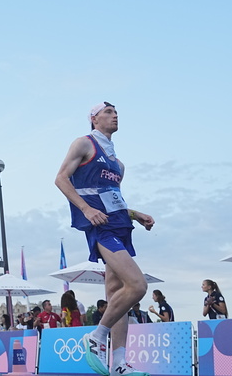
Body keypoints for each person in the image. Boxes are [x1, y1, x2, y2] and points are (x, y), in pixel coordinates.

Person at [55, 101, 154, 376]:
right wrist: (86, 209)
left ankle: (119, 363)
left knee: (115, 295)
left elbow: (113, 197)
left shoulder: (118, 163)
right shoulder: (84, 144)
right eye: (108, 112)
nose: (115, 115)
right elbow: (61, 179)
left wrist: (136, 214)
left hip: (122, 225)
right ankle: (97, 336)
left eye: (116, 112)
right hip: (102, 227)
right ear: (93, 118)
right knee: (137, 286)